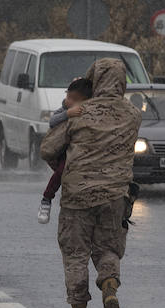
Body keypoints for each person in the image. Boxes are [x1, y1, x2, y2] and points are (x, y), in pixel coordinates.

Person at [40, 59, 142, 308]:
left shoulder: (80, 112)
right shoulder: (133, 115)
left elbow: (48, 148)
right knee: (108, 249)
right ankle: (109, 286)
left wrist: (66, 167)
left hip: (77, 197)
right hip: (115, 196)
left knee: (75, 256)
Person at [38, 78, 93, 224]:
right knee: (61, 172)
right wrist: (68, 113)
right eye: (67, 96)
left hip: (82, 152)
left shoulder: (90, 111)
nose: (68, 100)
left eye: (73, 99)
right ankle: (46, 199)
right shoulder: (65, 109)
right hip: (64, 150)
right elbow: (52, 121)